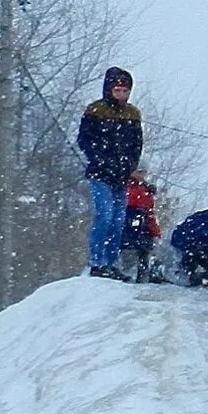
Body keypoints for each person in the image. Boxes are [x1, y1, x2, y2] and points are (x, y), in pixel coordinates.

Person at [77, 67, 143, 280]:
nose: (122, 94)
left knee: (118, 220)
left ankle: (112, 262)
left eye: (125, 90)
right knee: (104, 216)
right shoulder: (95, 111)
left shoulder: (132, 114)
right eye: (117, 90)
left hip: (121, 176)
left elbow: (136, 144)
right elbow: (85, 140)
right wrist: (102, 159)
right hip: (101, 173)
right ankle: (98, 261)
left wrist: (130, 166)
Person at [120, 166, 162, 283]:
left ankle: (139, 280)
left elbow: (149, 213)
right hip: (130, 231)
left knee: (142, 260)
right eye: (139, 171)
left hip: (142, 231)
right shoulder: (125, 187)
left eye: (143, 172)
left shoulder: (145, 189)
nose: (142, 174)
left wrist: (155, 231)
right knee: (130, 260)